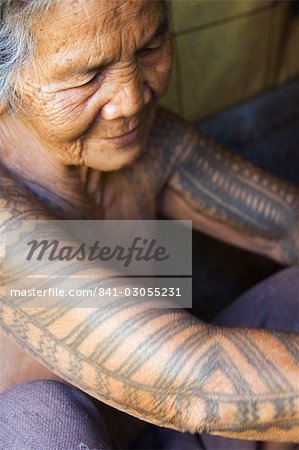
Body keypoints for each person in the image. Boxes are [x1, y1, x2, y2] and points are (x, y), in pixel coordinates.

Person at [0, 0, 298, 448]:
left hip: (158, 434)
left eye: (150, 48)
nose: (132, 99)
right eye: (88, 75)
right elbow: (188, 380)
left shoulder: (144, 143)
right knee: (40, 418)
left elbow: (287, 226)